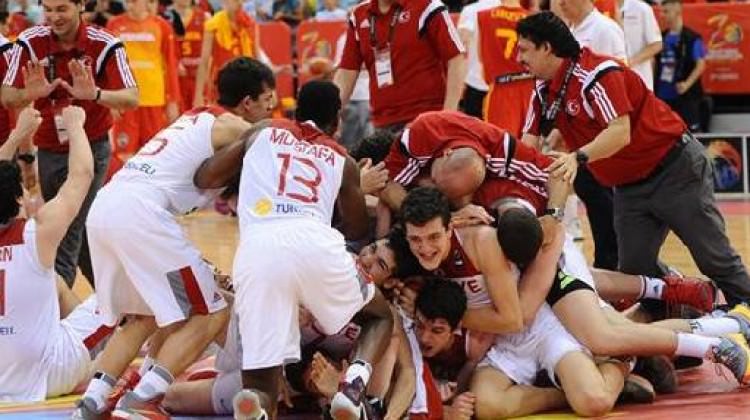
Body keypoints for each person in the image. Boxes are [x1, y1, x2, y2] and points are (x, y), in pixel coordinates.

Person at [72, 57, 277, 420]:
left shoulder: (193, 119)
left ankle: (93, 402)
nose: (270, 109)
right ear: (247, 102)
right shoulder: (234, 127)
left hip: (107, 206)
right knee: (212, 311)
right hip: (140, 212)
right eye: (267, 101)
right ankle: (143, 398)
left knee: (142, 316)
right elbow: (273, 142)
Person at [518, 11, 750, 308]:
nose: (518, 58)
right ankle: (685, 301)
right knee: (635, 274)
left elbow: (620, 132)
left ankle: (745, 313)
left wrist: (577, 157)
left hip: (675, 170)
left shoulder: (597, 73)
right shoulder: (541, 90)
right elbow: (526, 147)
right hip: (629, 187)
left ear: (547, 48)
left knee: (714, 259)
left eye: (524, 49)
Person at [193, 80, 394, 419]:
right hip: (315, 243)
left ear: (296, 110)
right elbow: (357, 229)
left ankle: (257, 404)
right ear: (337, 120)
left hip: (259, 250)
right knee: (379, 316)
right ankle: (352, 387)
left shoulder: (263, 131)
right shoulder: (342, 159)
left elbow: (206, 178)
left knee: (261, 379)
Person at [1, 0, 139, 288]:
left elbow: (131, 97)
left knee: (66, 228)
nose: (54, 17)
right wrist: (30, 93)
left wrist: (96, 94)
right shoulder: (29, 41)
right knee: (77, 229)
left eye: (61, 9)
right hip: (48, 148)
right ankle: (117, 300)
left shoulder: (106, 43)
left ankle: (53, 304)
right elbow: (8, 97)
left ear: (81, 5)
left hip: (91, 146)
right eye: (48, 10)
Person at [0, 105, 112, 402]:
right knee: (125, 282)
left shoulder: (35, 235)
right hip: (45, 375)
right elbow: (82, 175)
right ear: (19, 198)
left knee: (55, 283)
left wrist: (16, 136)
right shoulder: (37, 234)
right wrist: (75, 125)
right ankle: (126, 370)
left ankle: (89, 352)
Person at [334, 0, 465, 133]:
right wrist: (332, 114)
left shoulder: (428, 6)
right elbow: (347, 71)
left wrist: (448, 114)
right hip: (382, 121)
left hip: (426, 119)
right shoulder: (359, 14)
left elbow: (456, 59)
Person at [107, 0, 182, 161]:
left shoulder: (162, 26)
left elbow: (170, 65)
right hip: (125, 98)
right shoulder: (114, 24)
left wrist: (173, 101)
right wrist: (110, 99)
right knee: (124, 154)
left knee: (153, 154)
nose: (130, 5)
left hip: (153, 99)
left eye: (134, 1)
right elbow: (108, 64)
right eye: (128, 1)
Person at [476, 0, 533, 138]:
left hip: (502, 88)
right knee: (530, 146)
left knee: (501, 144)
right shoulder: (533, 19)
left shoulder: (484, 16)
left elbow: (480, 56)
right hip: (531, 87)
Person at [194, 0, 261, 107]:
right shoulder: (213, 25)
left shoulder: (250, 24)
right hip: (220, 85)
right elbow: (204, 62)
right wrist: (198, 95)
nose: (237, 3)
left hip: (246, 84)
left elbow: (257, 59)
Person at [655, 0, 706, 132]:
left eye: (666, 11)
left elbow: (700, 65)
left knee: (690, 133)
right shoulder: (661, 37)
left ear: (677, 11)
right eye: (662, 12)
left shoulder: (692, 38)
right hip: (663, 96)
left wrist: (686, 84)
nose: (662, 15)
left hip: (686, 97)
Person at [164, 0, 212, 111]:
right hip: (175, 80)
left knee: (200, 114)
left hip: (198, 77)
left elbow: (210, 55)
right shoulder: (164, 18)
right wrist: (175, 63)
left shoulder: (205, 17)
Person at [456, 0, 500, 119]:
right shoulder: (512, 12)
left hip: (475, 81)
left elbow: (460, 46)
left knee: (473, 128)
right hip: (502, 84)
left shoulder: (470, 11)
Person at [619, 0, 662, 90]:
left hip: (639, 81)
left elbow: (656, 44)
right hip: (611, 83)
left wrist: (628, 63)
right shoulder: (599, 9)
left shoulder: (642, 9)